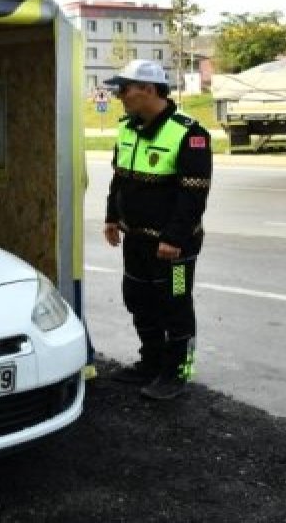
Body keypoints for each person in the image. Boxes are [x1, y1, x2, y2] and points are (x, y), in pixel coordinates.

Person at [102, 59, 213, 400]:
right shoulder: (127, 127)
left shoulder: (189, 133)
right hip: (136, 241)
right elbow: (119, 178)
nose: (119, 95)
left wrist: (174, 238)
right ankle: (150, 363)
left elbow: (194, 193)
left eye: (124, 89)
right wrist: (111, 217)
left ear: (148, 89)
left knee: (176, 304)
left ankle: (179, 372)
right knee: (137, 300)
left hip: (175, 249)